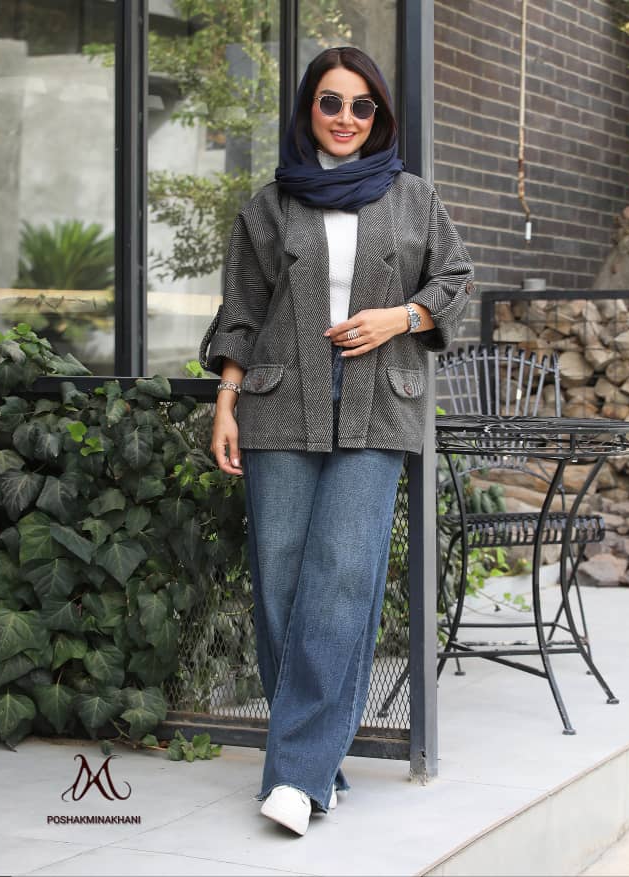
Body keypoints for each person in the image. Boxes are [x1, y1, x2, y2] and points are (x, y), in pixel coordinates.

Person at [203, 46, 474, 837]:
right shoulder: (270, 205)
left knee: (342, 578)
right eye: (330, 102)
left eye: (361, 105)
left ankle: (294, 776)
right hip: (275, 405)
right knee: (282, 585)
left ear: (378, 114)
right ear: (308, 111)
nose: (346, 118)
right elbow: (241, 315)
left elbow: (455, 281)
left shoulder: (413, 198)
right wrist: (225, 403)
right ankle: (320, 759)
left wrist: (401, 317)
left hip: (378, 408)